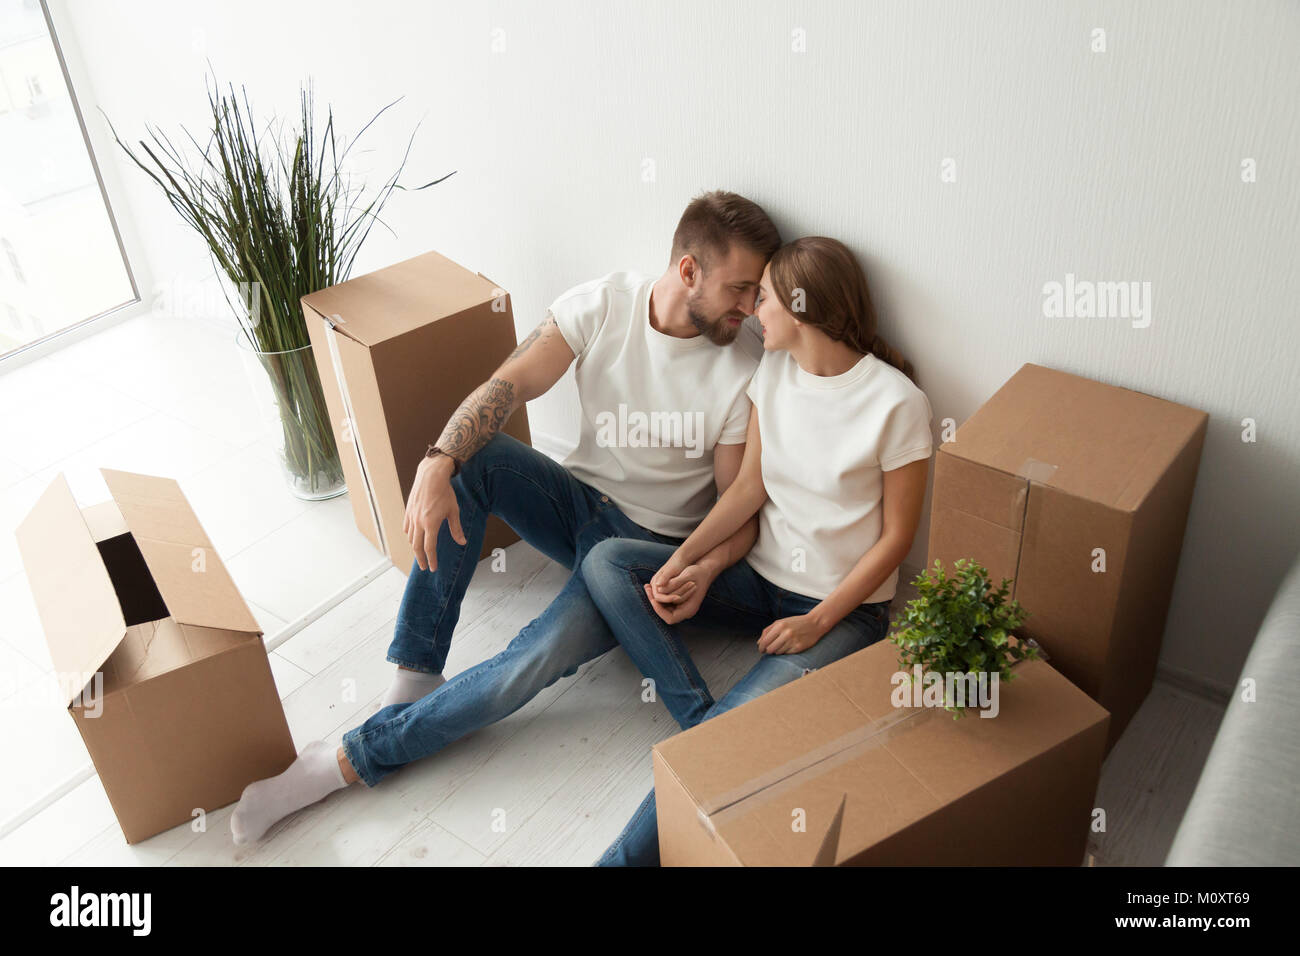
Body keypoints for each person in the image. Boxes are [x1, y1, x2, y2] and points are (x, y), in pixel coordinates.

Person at [230, 191, 782, 844]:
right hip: (577, 503)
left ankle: (340, 762)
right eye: (741, 289)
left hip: (641, 549)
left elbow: (735, 507)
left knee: (531, 661)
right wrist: (436, 464)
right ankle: (416, 672)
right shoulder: (605, 304)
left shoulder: (742, 366)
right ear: (688, 271)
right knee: (478, 455)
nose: (750, 308)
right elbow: (511, 384)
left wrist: (697, 566)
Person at [580, 236, 934, 866]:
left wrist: (816, 623)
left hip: (842, 613)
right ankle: (704, 718)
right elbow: (749, 488)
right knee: (608, 563)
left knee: (720, 749)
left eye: (763, 297)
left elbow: (896, 542)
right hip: (759, 582)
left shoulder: (897, 404)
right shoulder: (773, 372)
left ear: (800, 308)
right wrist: (684, 560)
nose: (750, 311)